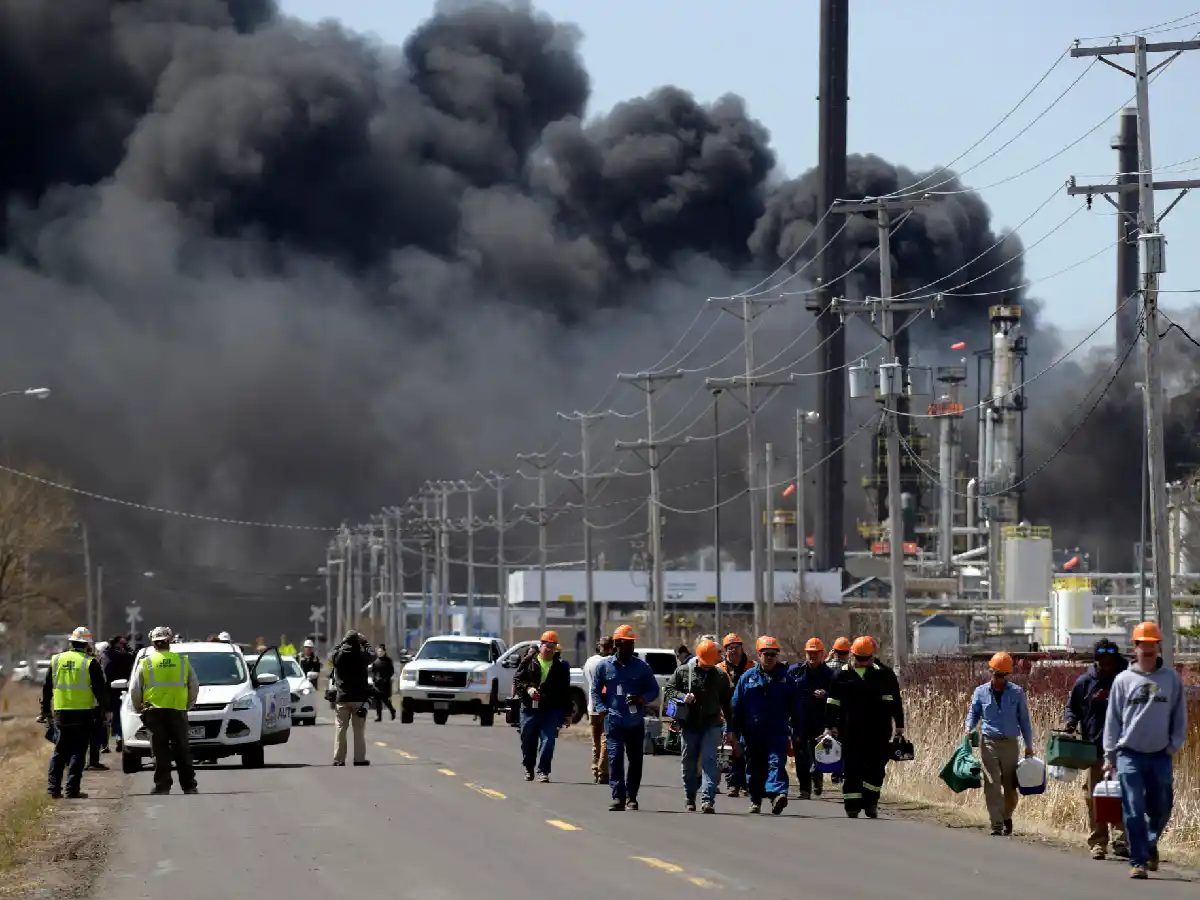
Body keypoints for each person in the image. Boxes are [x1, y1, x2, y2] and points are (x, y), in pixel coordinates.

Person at [1103, 622, 1188, 880]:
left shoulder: (1171, 679)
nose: (1148, 649)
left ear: (1158, 646)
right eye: (1143, 644)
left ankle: (1150, 843)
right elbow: (1113, 720)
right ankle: (1138, 860)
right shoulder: (1123, 680)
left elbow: (1179, 716)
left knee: (1162, 807)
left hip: (1160, 754)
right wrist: (1110, 756)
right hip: (1130, 754)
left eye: (1152, 644)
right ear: (1135, 647)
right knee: (1133, 808)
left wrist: (1173, 745)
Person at [824, 635, 905, 819]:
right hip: (850, 731)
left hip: (878, 731)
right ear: (852, 655)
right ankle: (852, 805)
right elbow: (832, 703)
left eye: (865, 659)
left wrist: (899, 725)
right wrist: (829, 726)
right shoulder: (841, 675)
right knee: (852, 768)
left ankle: (871, 802)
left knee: (875, 769)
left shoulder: (884, 674)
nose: (861, 662)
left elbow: (895, 701)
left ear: (872, 656)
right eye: (858, 658)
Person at [1063, 638, 1128, 860]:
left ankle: (1122, 840)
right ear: (1097, 660)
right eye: (1104, 661)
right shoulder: (1085, 682)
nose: (1108, 665)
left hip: (1123, 749)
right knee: (1094, 797)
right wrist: (1071, 722)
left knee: (1123, 794)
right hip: (1093, 748)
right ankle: (1098, 841)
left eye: (1112, 661)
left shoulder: (1126, 679)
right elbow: (1072, 708)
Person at [591, 624, 660, 811]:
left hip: (635, 722)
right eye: (626, 643)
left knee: (636, 761)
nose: (631, 647)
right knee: (615, 760)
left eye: (632, 643)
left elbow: (654, 689)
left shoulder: (642, 667)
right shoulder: (604, 667)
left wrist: (641, 699)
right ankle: (618, 797)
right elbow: (595, 691)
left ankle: (632, 797)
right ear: (617, 644)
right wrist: (602, 708)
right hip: (613, 722)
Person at [965, 651, 1035, 836]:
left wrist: (1029, 745)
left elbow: (1024, 721)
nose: (999, 679)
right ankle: (996, 824)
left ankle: (1006, 816)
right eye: (996, 675)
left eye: (1003, 676)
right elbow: (973, 713)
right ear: (991, 672)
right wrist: (969, 727)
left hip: (1010, 744)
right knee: (992, 783)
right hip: (989, 742)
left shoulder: (1017, 693)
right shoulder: (980, 692)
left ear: (1008, 675)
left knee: (1011, 788)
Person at [730, 636, 798, 815]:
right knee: (754, 768)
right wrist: (732, 732)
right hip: (752, 734)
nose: (770, 657)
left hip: (777, 732)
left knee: (776, 763)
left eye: (773, 654)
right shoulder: (747, 678)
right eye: (766, 654)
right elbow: (736, 707)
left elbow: (796, 707)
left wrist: (798, 730)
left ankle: (777, 795)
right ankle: (755, 801)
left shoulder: (786, 680)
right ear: (759, 655)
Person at [127, 626, 200, 795]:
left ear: (153, 644)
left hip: (153, 712)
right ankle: (189, 786)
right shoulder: (182, 661)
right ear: (170, 642)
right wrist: (187, 705)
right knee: (182, 748)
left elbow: (135, 690)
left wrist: (139, 708)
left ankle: (162, 785)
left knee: (160, 750)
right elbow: (194, 686)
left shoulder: (146, 663)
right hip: (177, 710)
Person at [664, 638, 732, 813]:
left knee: (709, 761)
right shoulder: (683, 672)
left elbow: (727, 704)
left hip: (712, 724)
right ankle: (689, 797)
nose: (709, 666)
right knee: (689, 761)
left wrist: (731, 728)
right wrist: (682, 696)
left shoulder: (721, 676)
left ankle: (707, 800)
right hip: (689, 725)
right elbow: (669, 690)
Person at [38, 626, 105, 799]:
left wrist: (45, 710)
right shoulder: (90, 662)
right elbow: (101, 692)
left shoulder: (56, 660)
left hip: (61, 712)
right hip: (83, 713)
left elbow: (46, 688)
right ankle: (72, 789)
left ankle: (53, 789)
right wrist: (102, 714)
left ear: (71, 642)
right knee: (78, 751)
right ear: (87, 645)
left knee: (60, 750)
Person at [514, 631, 572, 782]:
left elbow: (565, 691)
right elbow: (518, 680)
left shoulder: (559, 667)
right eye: (547, 646)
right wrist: (528, 689)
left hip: (550, 709)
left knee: (548, 741)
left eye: (553, 647)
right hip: (529, 709)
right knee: (528, 739)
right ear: (541, 646)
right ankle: (528, 767)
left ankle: (543, 771)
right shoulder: (528, 662)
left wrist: (567, 713)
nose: (550, 649)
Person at [788, 637, 834, 799]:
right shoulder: (795, 671)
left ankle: (818, 778)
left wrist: (826, 694)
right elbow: (785, 692)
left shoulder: (829, 674)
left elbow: (836, 697)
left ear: (822, 654)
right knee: (801, 757)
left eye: (816, 653)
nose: (812, 656)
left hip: (819, 721)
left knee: (818, 754)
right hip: (799, 721)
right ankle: (804, 789)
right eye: (810, 653)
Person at [331, 630, 374, 766]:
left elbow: (332, 654)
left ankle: (339, 759)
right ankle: (359, 758)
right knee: (359, 730)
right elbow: (373, 655)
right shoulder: (362, 655)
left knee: (340, 729)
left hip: (342, 697)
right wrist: (365, 642)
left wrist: (342, 641)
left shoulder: (338, 656)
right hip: (358, 698)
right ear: (357, 642)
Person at [718, 633, 753, 798]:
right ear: (725, 651)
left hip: (748, 717)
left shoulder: (753, 668)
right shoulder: (719, 670)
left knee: (748, 751)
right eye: (730, 649)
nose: (734, 651)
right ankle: (733, 784)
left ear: (742, 649)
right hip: (726, 717)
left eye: (736, 648)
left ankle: (746, 784)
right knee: (731, 751)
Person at [582, 635, 615, 784]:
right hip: (605, 705)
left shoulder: (589, 661)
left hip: (592, 707)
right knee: (605, 740)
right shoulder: (609, 663)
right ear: (611, 647)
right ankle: (603, 772)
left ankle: (595, 768)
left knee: (595, 741)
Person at [100, 635, 134, 753]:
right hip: (119, 690)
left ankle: (105, 744)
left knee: (107, 719)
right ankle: (118, 740)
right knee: (117, 718)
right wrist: (128, 648)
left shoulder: (104, 656)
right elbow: (132, 657)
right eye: (122, 643)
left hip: (105, 692)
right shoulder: (121, 656)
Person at [84, 641, 111, 770]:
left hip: (79, 705)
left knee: (86, 736)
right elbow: (101, 687)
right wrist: (105, 707)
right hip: (93, 706)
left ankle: (86, 761)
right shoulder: (93, 664)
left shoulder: (88, 663)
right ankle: (92, 761)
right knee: (94, 735)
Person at [369, 644, 396, 721]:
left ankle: (392, 710)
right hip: (377, 684)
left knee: (385, 699)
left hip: (386, 683)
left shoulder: (388, 661)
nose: (379, 653)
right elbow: (373, 672)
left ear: (384, 651)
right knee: (377, 700)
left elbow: (391, 671)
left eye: (381, 651)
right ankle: (379, 716)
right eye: (378, 651)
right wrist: (374, 679)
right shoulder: (376, 662)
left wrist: (386, 678)